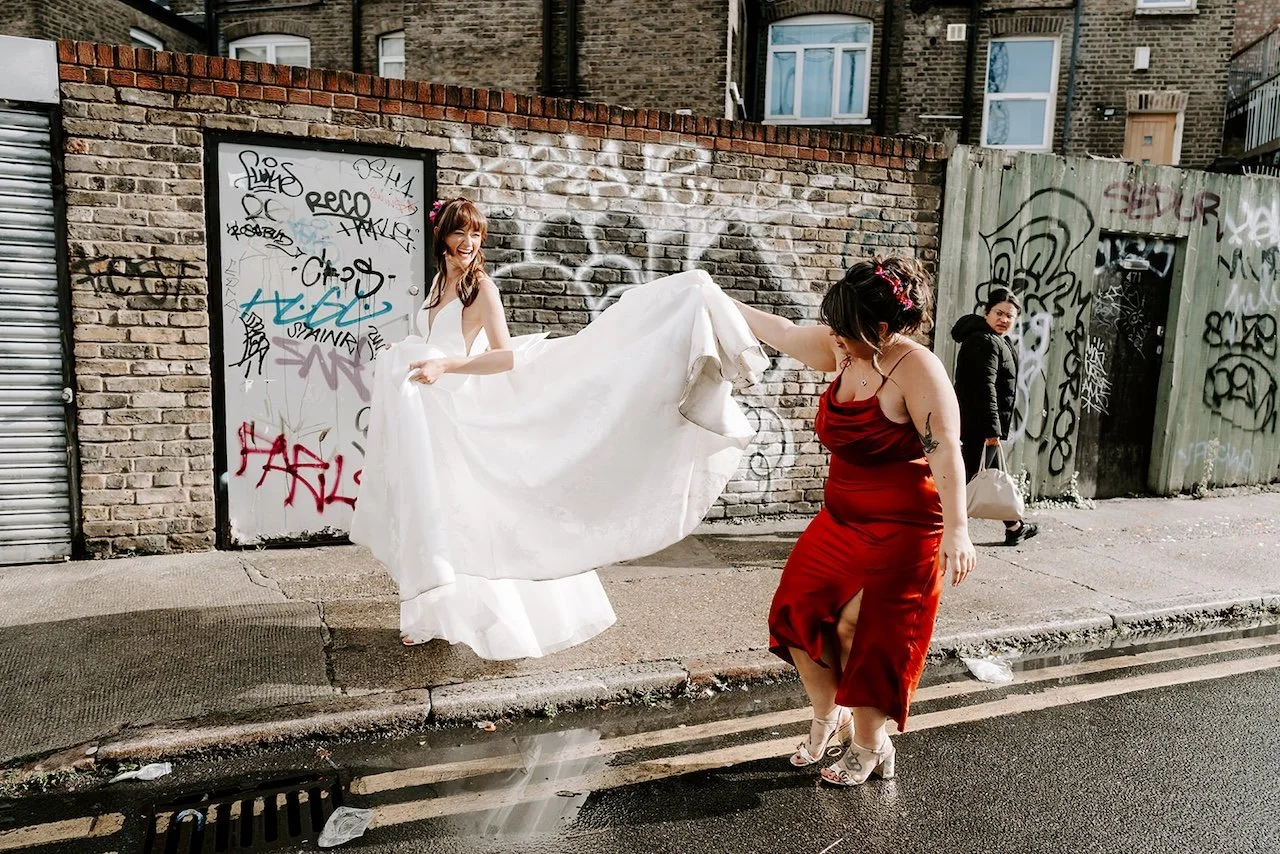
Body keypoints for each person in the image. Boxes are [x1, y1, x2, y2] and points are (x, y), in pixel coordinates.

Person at [350, 198, 767, 660]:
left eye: (475, 234)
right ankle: (437, 613)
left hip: (465, 414)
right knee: (440, 514)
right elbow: (431, 342)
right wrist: (408, 351)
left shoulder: (481, 288)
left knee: (478, 515)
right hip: (435, 417)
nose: (469, 243)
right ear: (442, 238)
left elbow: (504, 356)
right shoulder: (435, 285)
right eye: (460, 233)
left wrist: (446, 364)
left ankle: (498, 619)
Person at [732, 256, 976, 787]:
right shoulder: (844, 349)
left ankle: (871, 744)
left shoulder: (917, 369)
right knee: (797, 613)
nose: (835, 340)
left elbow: (946, 449)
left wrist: (958, 527)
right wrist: (717, 299)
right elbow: (783, 331)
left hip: (905, 525)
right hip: (841, 518)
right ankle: (828, 716)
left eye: (845, 330)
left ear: (881, 328)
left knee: (865, 633)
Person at [951, 288, 1038, 546]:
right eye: (999, 313)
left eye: (1010, 316)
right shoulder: (984, 341)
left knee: (983, 474)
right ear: (986, 312)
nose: (1004, 319)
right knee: (967, 478)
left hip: (979, 423)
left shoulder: (996, 340)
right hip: (977, 424)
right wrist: (992, 431)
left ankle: (1014, 526)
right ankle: (946, 531)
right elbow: (984, 388)